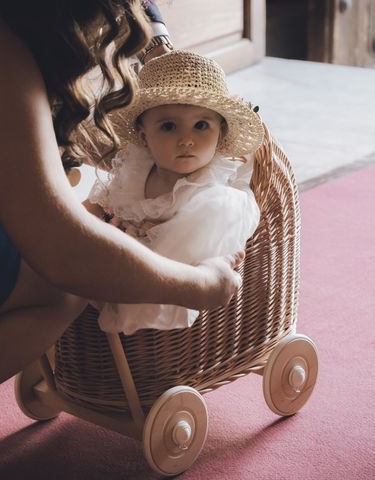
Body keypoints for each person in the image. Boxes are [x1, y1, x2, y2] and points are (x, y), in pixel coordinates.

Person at [0, 1, 245, 477]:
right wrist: (198, 285)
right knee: (60, 283)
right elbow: (64, 252)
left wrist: (157, 33)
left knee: (0, 210)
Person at [86, 50, 264, 334]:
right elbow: (101, 201)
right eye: (168, 126)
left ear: (220, 134)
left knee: (221, 205)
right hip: (124, 262)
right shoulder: (137, 170)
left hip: (171, 280)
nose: (186, 140)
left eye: (201, 126)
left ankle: (135, 305)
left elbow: (199, 235)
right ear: (145, 138)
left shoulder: (210, 189)